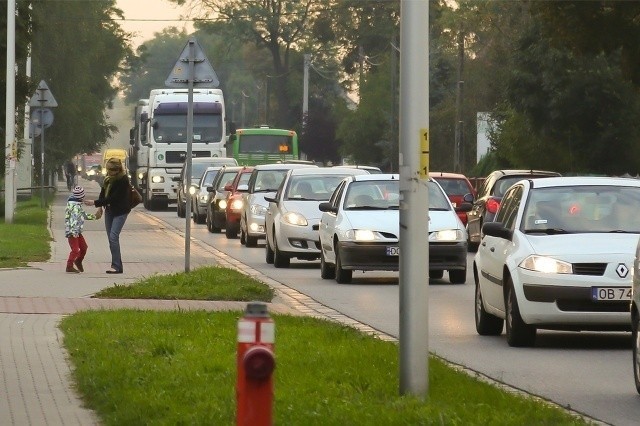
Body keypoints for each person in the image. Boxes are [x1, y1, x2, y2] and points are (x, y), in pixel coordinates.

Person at [84, 158, 131, 274]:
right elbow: (103, 194)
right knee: (111, 238)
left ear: (118, 169)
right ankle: (117, 265)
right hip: (109, 210)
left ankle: (116, 266)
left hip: (120, 211)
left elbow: (114, 198)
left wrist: (95, 203)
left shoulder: (123, 180)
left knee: (113, 236)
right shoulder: (107, 180)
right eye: (108, 169)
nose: (109, 172)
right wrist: (100, 207)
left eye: (111, 170)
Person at [65, 186, 102, 273]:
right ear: (81, 197)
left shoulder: (77, 206)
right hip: (73, 232)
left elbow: (83, 215)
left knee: (84, 247)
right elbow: (73, 220)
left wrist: (95, 217)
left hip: (77, 232)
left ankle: (78, 261)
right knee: (75, 250)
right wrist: (73, 232)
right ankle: (69, 266)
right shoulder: (74, 207)